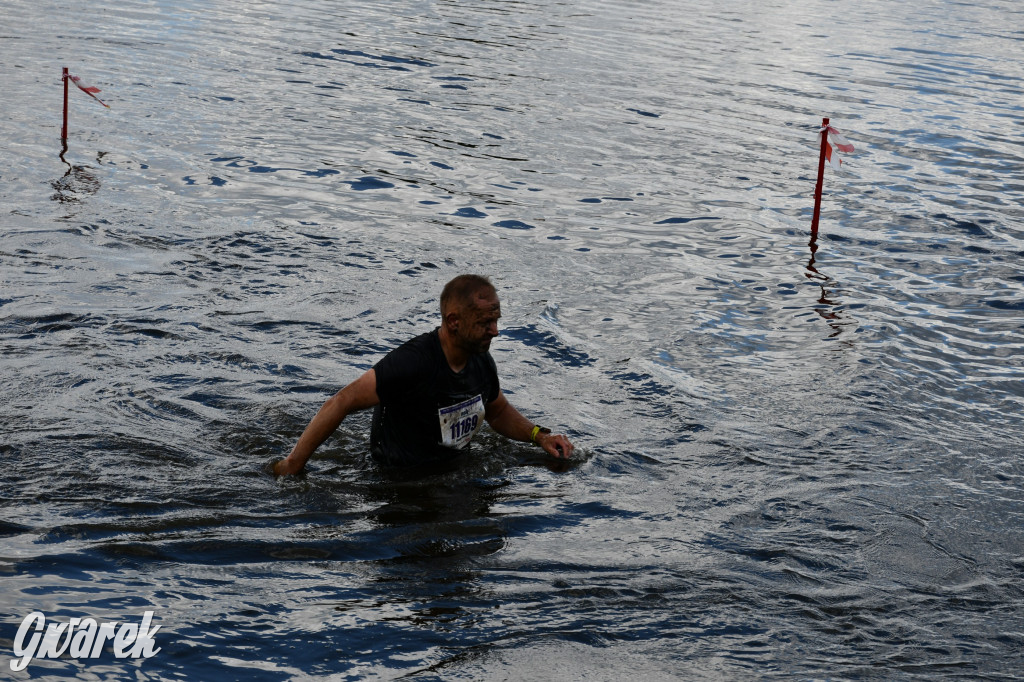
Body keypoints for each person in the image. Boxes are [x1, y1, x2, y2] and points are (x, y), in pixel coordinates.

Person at [273, 274, 574, 475]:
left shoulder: (480, 362)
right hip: (398, 482)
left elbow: (497, 410)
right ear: (454, 321)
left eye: (496, 320)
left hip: (451, 471)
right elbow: (343, 400)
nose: (495, 331)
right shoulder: (412, 362)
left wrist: (539, 436)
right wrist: (293, 464)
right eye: (485, 323)